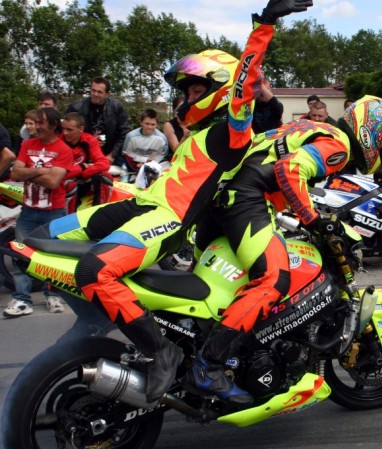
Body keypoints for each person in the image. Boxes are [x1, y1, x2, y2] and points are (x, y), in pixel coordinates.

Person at [37, 0, 313, 406]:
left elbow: (244, 83)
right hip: (139, 205)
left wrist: (265, 24)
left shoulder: (231, 132)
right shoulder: (197, 135)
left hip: (166, 219)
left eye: (196, 90)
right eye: (186, 91)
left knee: (94, 270)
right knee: (39, 237)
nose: (186, 98)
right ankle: (96, 328)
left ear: (218, 93)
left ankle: (159, 352)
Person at [192, 95, 382, 407]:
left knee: (218, 288)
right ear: (372, 134)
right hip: (246, 199)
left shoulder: (311, 127)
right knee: (274, 279)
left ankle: (224, 349)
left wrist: (302, 213)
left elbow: (278, 165)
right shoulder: (339, 144)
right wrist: (315, 221)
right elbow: (289, 170)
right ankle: (209, 366)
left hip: (219, 199)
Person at [3, 108, 73, 318]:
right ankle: (22, 300)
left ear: (52, 125)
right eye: (36, 122)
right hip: (28, 211)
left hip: (54, 212)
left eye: (41, 123)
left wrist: (29, 173)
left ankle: (52, 295)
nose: (37, 127)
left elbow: (54, 182)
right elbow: (15, 172)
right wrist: (42, 170)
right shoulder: (27, 145)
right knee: (21, 256)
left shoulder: (63, 150)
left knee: (53, 258)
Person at [66, 76, 131, 162]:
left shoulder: (116, 107)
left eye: (99, 92)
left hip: (109, 154)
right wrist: (90, 141)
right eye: (93, 90)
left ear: (107, 94)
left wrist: (112, 155)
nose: (95, 94)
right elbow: (67, 132)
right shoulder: (76, 108)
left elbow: (125, 132)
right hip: (82, 154)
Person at [61, 112, 112, 213]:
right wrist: (81, 167)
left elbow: (104, 163)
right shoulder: (58, 140)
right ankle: (68, 219)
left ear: (81, 129)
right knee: (70, 183)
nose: (65, 133)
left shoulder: (89, 140)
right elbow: (60, 173)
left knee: (105, 176)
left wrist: (84, 172)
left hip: (80, 179)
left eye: (69, 130)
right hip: (63, 184)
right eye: (63, 129)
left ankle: (99, 213)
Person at [121, 108, 169, 176]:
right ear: (141, 122)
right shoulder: (131, 136)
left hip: (154, 165)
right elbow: (126, 153)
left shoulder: (162, 138)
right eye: (147, 123)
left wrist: (151, 164)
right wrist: (143, 160)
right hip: (134, 165)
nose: (149, 127)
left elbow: (163, 155)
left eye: (153, 124)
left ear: (157, 124)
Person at [162, 96, 189, 160]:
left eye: (184, 108)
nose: (182, 111)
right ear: (174, 110)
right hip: (176, 160)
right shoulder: (168, 125)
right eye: (179, 108)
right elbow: (175, 150)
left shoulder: (193, 122)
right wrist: (184, 137)